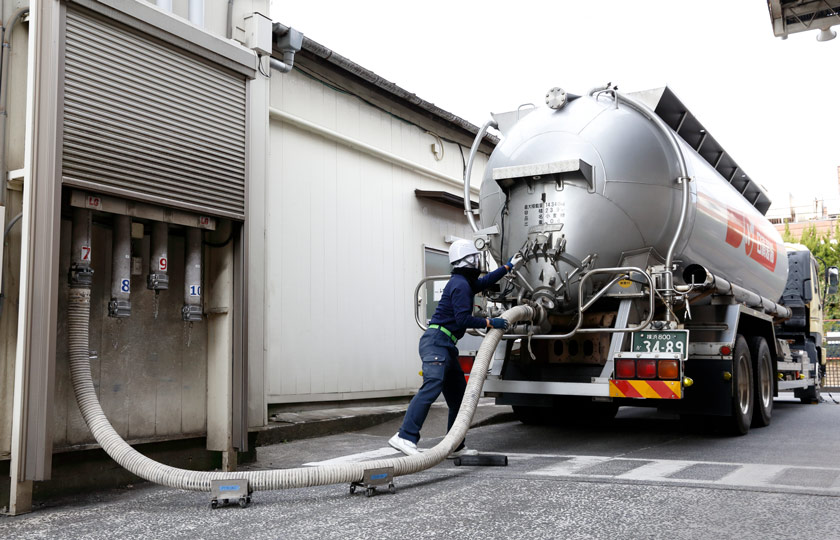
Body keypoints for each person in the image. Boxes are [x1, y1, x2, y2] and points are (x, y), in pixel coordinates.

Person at [389, 239, 524, 458]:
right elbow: (462, 320)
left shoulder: (463, 281)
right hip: (436, 342)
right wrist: (491, 322)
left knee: (459, 398)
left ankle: (455, 445)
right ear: (468, 259)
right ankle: (405, 436)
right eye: (475, 257)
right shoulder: (460, 285)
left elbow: (484, 282)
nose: (477, 261)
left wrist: (507, 267)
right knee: (432, 386)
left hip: (446, 345)